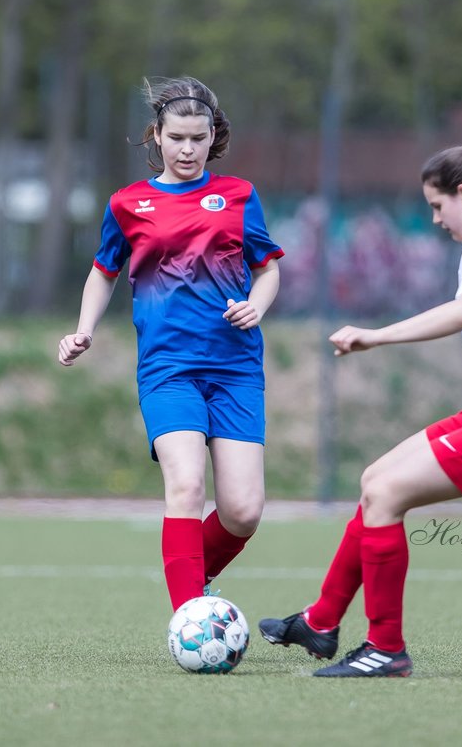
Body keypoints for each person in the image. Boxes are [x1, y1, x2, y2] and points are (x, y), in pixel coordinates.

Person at [259, 145, 462, 678]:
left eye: (437, 205)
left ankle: (386, 649)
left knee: (385, 495)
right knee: (376, 479)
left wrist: (376, 336)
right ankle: (321, 620)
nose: (434, 219)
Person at [57, 76, 284, 612]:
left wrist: (258, 304)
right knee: (185, 486)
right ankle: (188, 617)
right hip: (168, 369)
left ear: (213, 137)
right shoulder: (128, 204)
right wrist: (83, 328)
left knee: (243, 511)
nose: (187, 149)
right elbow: (102, 272)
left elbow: (268, 269)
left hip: (235, 368)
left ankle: (190, 576)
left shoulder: (238, 196)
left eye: (198, 138)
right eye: (176, 137)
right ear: (156, 135)